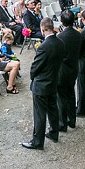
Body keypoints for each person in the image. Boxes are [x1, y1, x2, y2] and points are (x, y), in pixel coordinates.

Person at [21, 18, 64, 150]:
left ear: (43, 29)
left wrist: (33, 76)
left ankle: (37, 141)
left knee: (39, 114)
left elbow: (35, 66)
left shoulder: (44, 46)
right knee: (52, 108)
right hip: (53, 80)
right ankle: (54, 132)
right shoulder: (60, 42)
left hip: (42, 83)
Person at [55, 10, 81, 131]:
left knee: (61, 97)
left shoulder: (60, 37)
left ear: (62, 22)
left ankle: (62, 123)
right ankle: (72, 120)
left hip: (62, 69)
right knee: (71, 93)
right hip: (74, 67)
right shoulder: (78, 35)